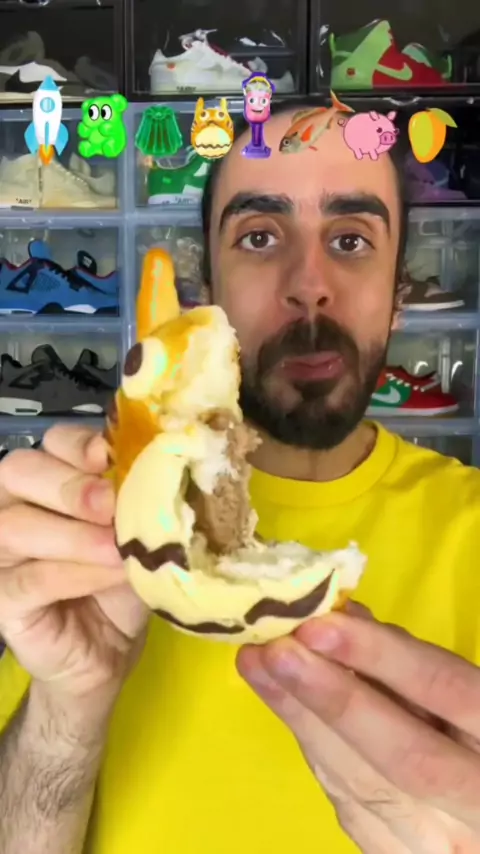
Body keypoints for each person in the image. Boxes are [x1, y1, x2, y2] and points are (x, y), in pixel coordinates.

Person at [1, 103, 480, 854]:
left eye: (351, 240)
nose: (309, 284)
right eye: (259, 236)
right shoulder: (88, 550)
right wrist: (69, 706)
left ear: (397, 295)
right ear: (207, 288)